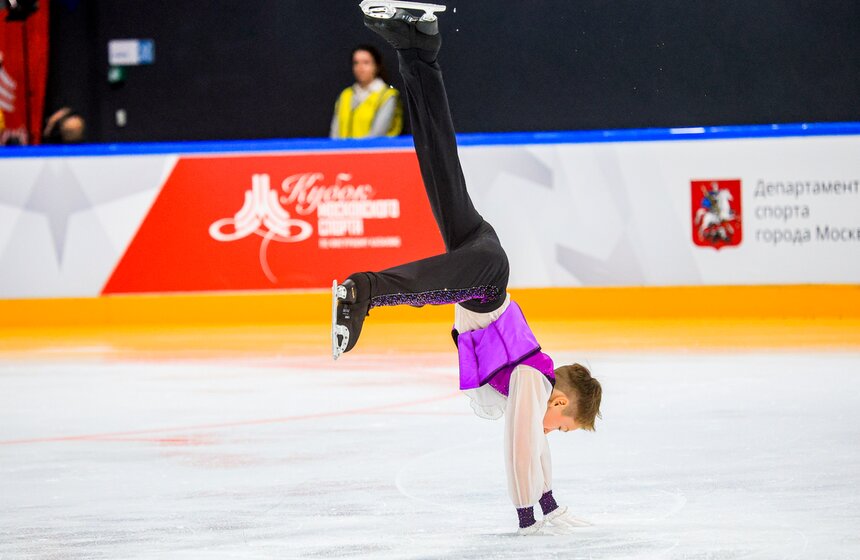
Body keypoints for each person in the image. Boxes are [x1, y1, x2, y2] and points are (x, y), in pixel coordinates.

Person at [333, 3, 603, 535]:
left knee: (437, 155)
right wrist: (531, 517)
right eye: (566, 425)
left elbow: (535, 447)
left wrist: (551, 504)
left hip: (483, 259)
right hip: (485, 281)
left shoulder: (538, 383)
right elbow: (521, 448)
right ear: (561, 401)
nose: (559, 432)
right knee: (425, 284)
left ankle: (418, 47)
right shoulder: (532, 379)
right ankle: (361, 292)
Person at [330, 44, 403, 139]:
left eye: (366, 62)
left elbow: (378, 133)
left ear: (376, 66)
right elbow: (335, 132)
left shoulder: (387, 96)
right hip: (343, 152)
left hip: (374, 151)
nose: (360, 68)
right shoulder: (345, 95)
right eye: (356, 63)